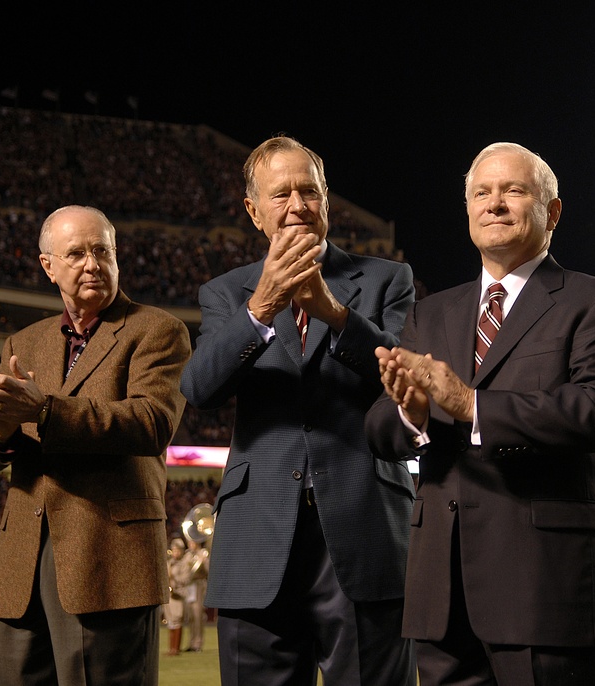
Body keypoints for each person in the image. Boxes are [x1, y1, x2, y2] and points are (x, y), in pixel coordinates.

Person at [365, 142, 595, 685]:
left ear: (552, 211)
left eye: (513, 190)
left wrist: (472, 404)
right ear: (468, 209)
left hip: (549, 591)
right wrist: (413, 414)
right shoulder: (430, 312)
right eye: (481, 193)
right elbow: (378, 430)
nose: (494, 204)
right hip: (442, 599)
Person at [180, 135, 417, 686]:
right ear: (254, 211)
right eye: (280, 193)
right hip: (257, 536)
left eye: (308, 191)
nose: (296, 206)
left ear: (327, 200)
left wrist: (334, 313)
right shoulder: (225, 292)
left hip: (365, 528)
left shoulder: (386, 279)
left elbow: (403, 380)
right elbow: (199, 389)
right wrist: (261, 305)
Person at [0, 205, 191, 686]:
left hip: (111, 561)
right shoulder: (23, 341)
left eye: (101, 251)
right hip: (21, 565)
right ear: (48, 266)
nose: (91, 263)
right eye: (76, 253)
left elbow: (151, 422)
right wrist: (3, 429)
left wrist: (43, 411)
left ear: (116, 256)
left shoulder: (158, 329)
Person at [164, 538, 193, 656]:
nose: (175, 552)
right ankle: (171, 648)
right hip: (170, 595)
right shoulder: (169, 562)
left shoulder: (185, 564)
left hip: (178, 594)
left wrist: (174, 578)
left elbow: (186, 579)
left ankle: (176, 648)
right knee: (170, 620)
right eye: (174, 550)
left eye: (178, 550)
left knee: (177, 619)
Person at [184, 537, 209, 652]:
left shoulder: (203, 554)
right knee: (191, 616)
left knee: (198, 615)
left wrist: (203, 562)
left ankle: (198, 643)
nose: (190, 544)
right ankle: (191, 641)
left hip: (199, 586)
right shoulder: (188, 555)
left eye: (192, 542)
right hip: (189, 587)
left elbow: (208, 571)